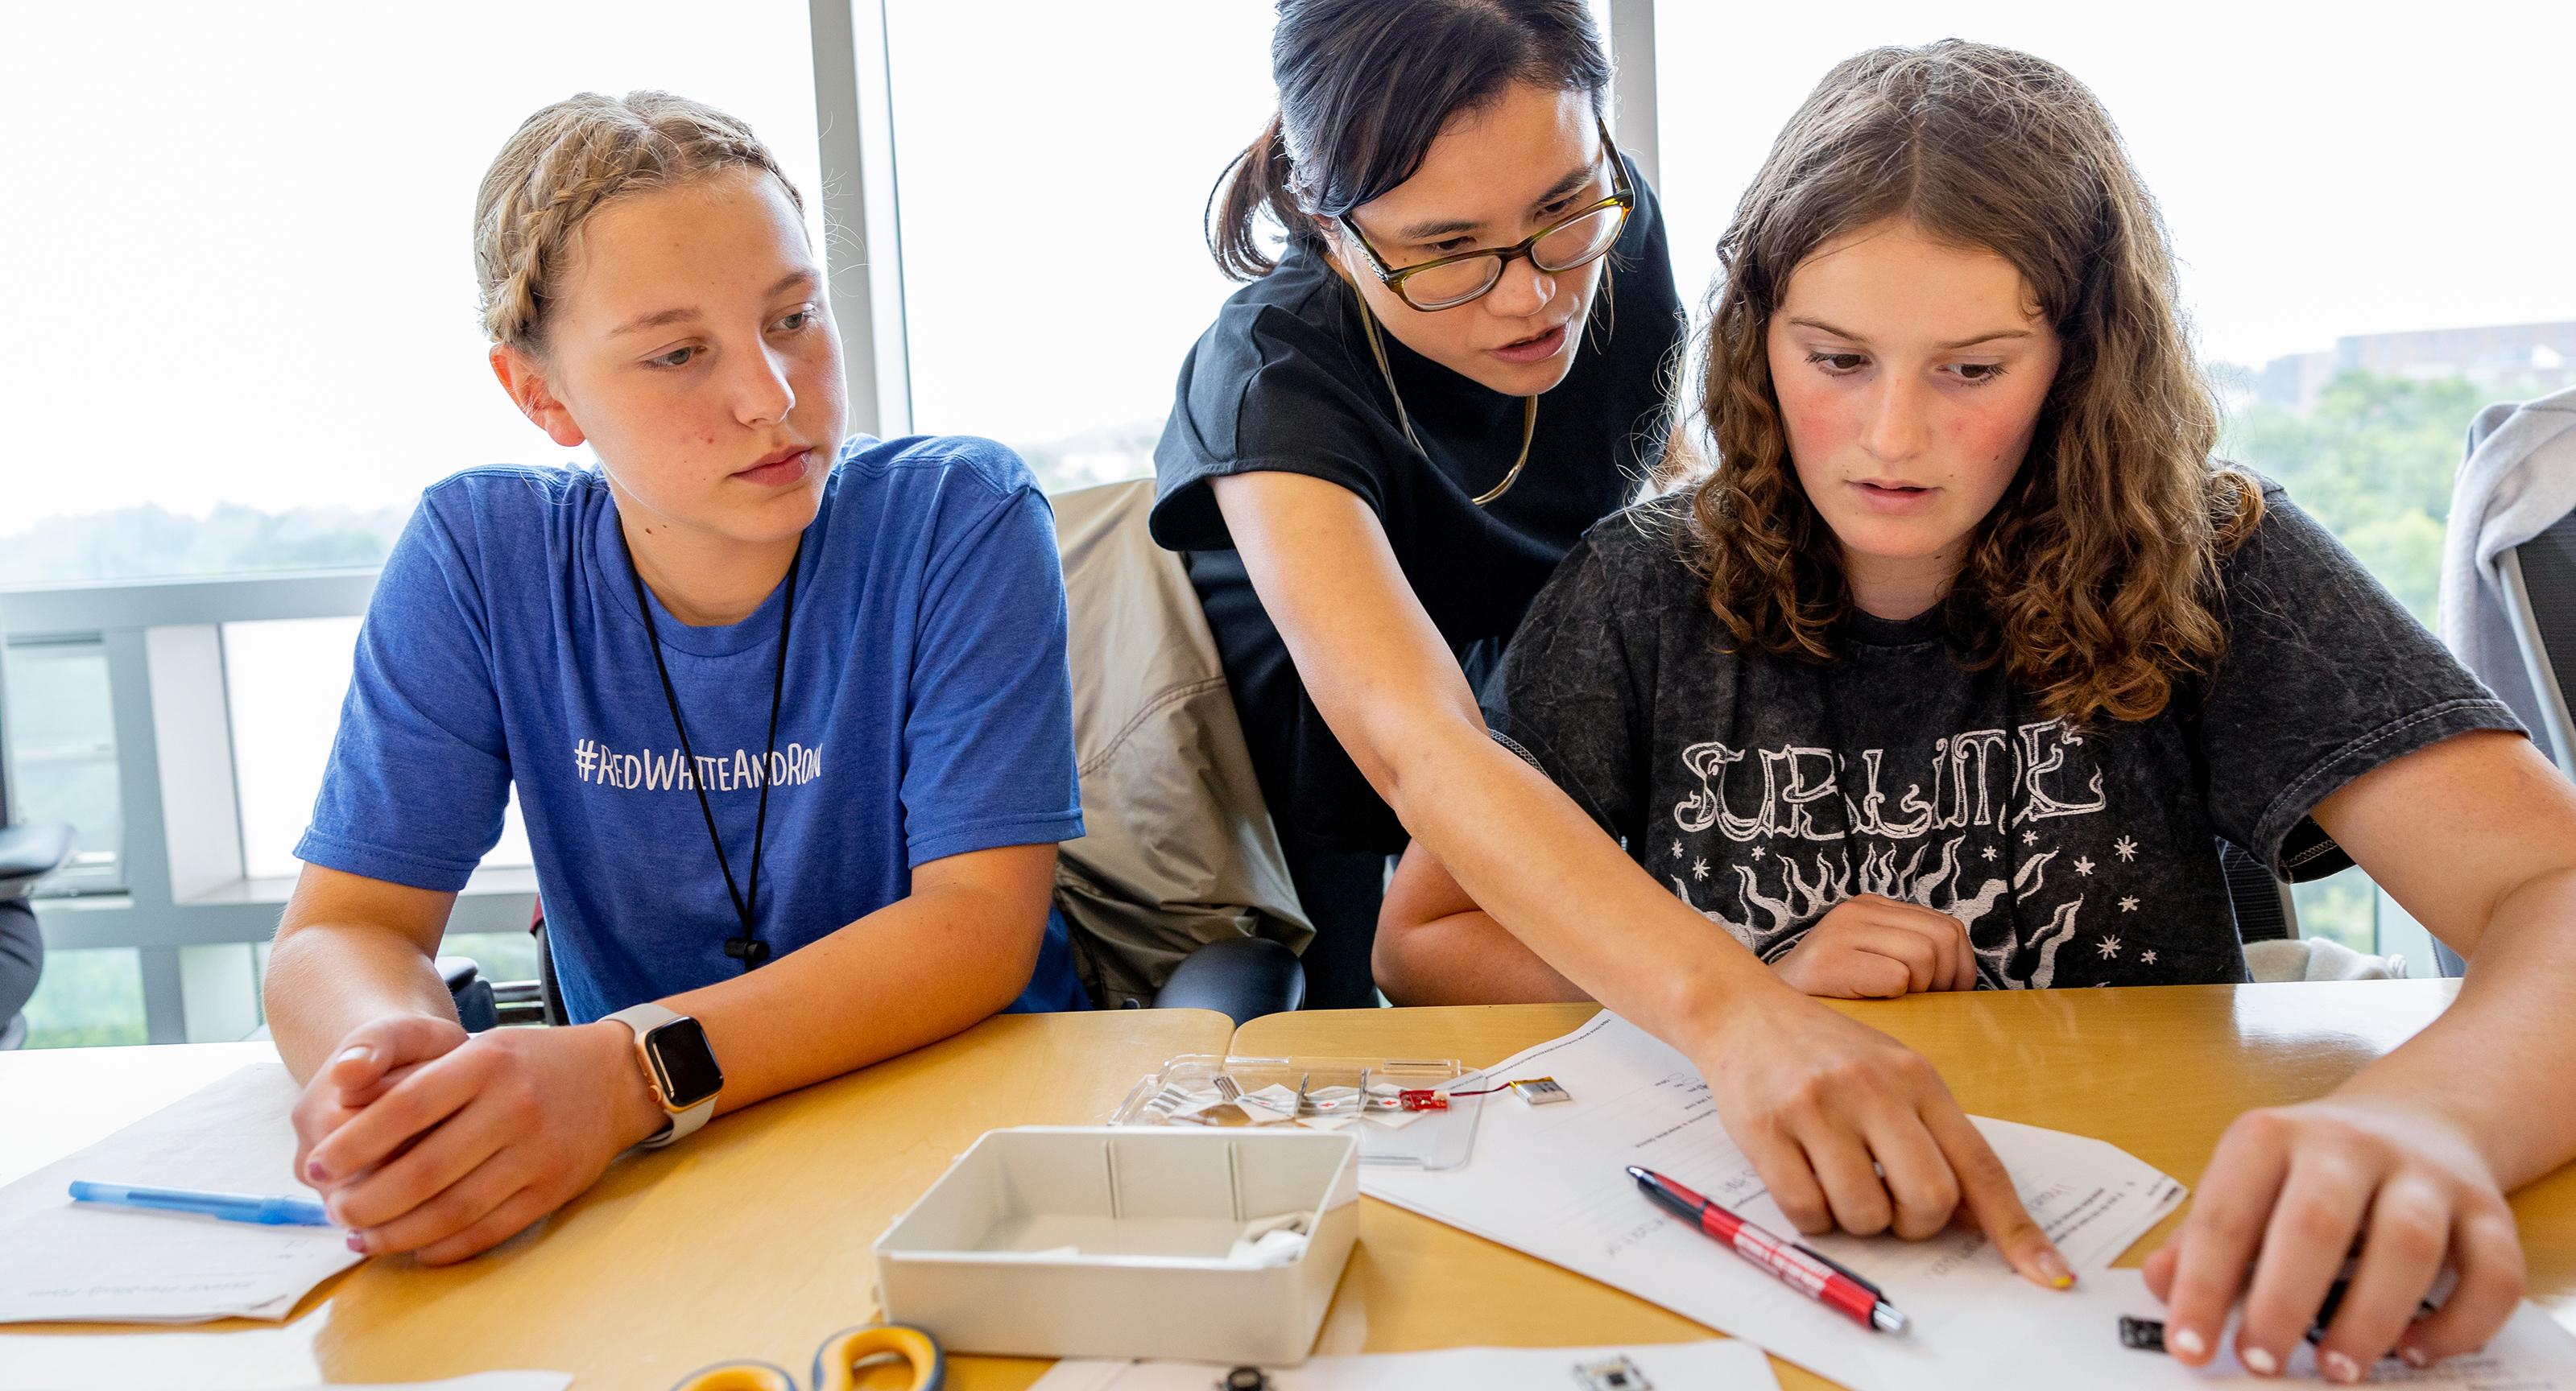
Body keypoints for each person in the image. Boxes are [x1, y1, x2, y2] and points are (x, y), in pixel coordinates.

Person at [1376, 41, 2576, 1379]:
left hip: (2143, 1262)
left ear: (2075, 358)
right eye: (1834, 358)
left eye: (1969, 370)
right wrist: (1737, 986)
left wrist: (2425, 1125)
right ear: (1754, 336)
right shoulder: (1641, 589)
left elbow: (2552, 887)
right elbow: (1426, 936)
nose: (1890, 436)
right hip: (1760, 1284)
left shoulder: (2209, 559)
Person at [262, 92, 1086, 1265]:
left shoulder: (954, 515)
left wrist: (625, 1070)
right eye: (677, 354)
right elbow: (341, 930)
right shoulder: (481, 553)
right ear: (541, 396)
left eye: (793, 316)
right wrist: (392, 1069)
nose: (772, 394)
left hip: (962, 1141)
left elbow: (975, 927)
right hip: (657, 1175)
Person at [1150, 0, 1685, 1009]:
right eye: (1448, 250)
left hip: (1539, 695)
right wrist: (1739, 1000)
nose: (1533, 294)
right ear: (1327, 222)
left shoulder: (1607, 227)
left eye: (1563, 209)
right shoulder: (1274, 383)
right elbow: (1421, 750)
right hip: (1330, 752)